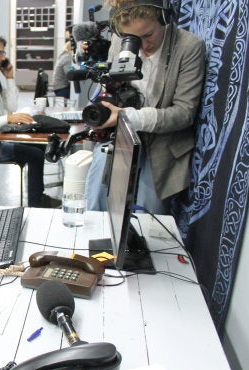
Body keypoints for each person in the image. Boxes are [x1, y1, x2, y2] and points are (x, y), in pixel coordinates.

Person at [84, 0, 205, 214]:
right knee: (96, 206)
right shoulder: (118, 40)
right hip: (120, 136)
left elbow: (184, 113)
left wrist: (128, 116)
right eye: (133, 39)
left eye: (148, 35)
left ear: (164, 20)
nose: (142, 46)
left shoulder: (188, 47)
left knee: (150, 220)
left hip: (163, 145)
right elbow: (111, 89)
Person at [0, 32, 61, 209]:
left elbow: (11, 105)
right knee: (35, 155)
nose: (3, 57)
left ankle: (38, 196)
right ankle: (36, 203)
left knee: (40, 146)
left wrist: (9, 77)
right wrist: (9, 118)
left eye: (4, 53)